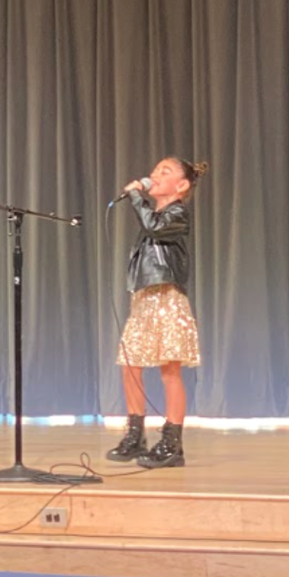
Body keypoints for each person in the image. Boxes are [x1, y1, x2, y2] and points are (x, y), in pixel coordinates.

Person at [107, 156, 208, 469]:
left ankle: (172, 443)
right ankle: (135, 433)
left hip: (166, 297)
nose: (154, 175)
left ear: (181, 185)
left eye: (165, 171)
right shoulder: (155, 213)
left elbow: (153, 226)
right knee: (130, 364)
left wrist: (136, 196)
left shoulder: (177, 212)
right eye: (155, 170)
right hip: (145, 298)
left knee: (169, 369)